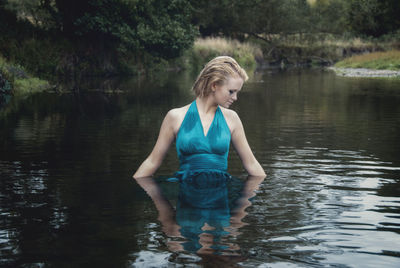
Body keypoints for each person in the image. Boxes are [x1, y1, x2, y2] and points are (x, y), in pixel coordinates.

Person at [133, 56, 265, 179]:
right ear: (214, 85)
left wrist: (248, 201)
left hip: (219, 194)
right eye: (231, 91)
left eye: (237, 92)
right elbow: (152, 161)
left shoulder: (232, 119)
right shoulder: (175, 116)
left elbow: (251, 163)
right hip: (187, 191)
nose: (235, 98)